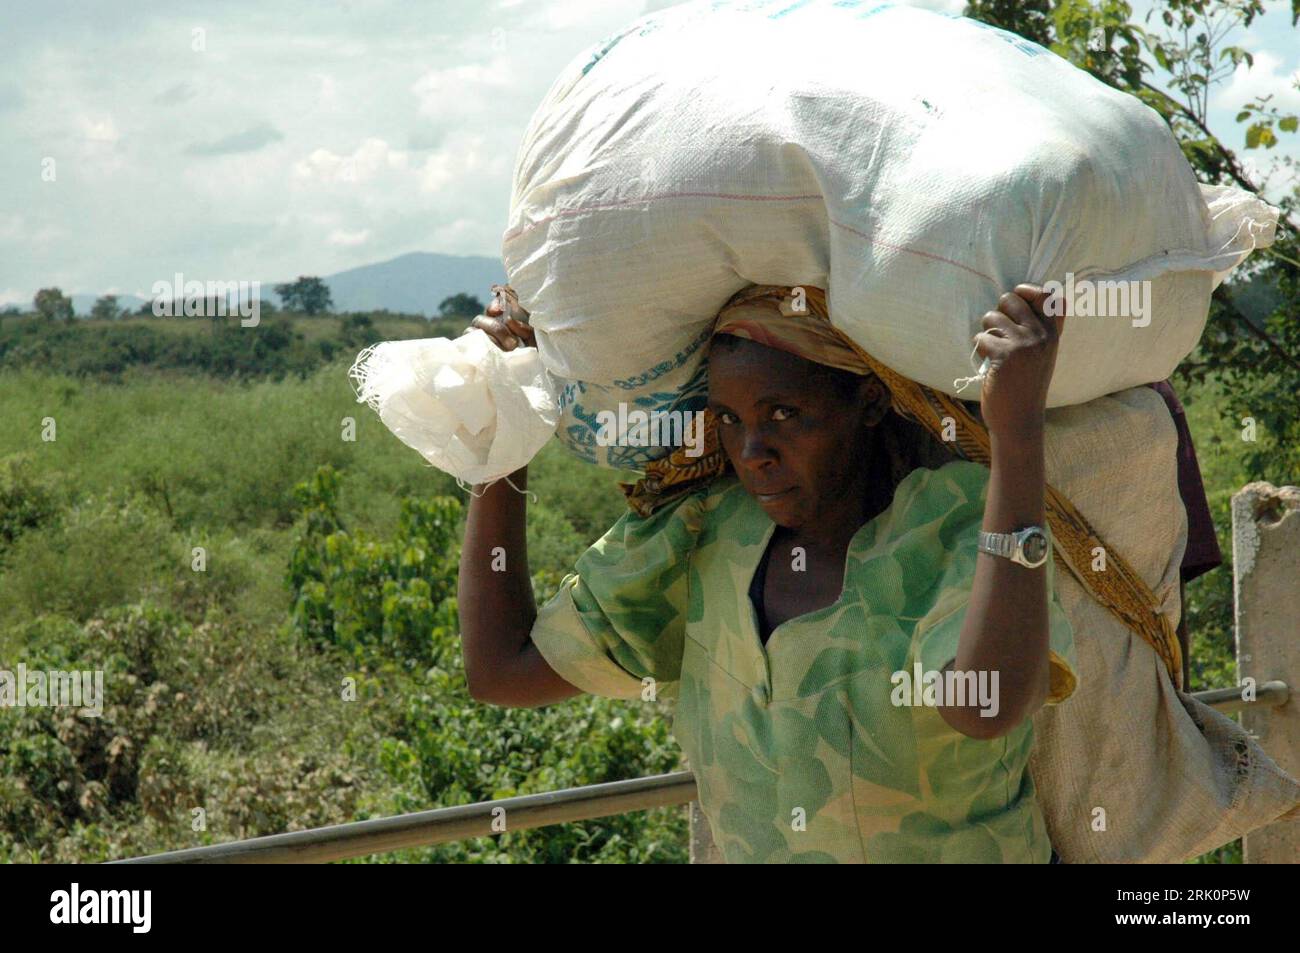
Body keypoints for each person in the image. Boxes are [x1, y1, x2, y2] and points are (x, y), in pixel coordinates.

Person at [458, 282, 1079, 863]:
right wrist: (501, 437)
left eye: (782, 414)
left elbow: (988, 706)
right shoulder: (706, 532)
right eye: (729, 419)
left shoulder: (949, 527)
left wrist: (1017, 435)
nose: (753, 453)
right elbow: (503, 671)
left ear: (867, 401)